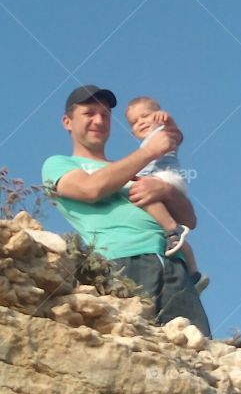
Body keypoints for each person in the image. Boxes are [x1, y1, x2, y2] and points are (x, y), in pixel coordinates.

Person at [41, 84, 211, 336]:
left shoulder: (134, 168)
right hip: (123, 262)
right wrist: (149, 151)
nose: (99, 120)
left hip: (173, 265)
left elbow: (189, 219)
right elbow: (90, 189)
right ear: (67, 122)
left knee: (197, 351)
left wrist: (165, 190)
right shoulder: (59, 164)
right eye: (89, 113)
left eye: (105, 115)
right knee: (137, 346)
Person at [123, 96, 208, 293]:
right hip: (159, 179)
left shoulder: (162, 133)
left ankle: (172, 229)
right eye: (134, 122)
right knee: (171, 236)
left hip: (167, 178)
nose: (141, 122)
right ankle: (195, 274)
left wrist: (168, 121)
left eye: (145, 116)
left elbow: (177, 135)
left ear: (158, 115)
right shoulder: (144, 146)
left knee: (137, 191)